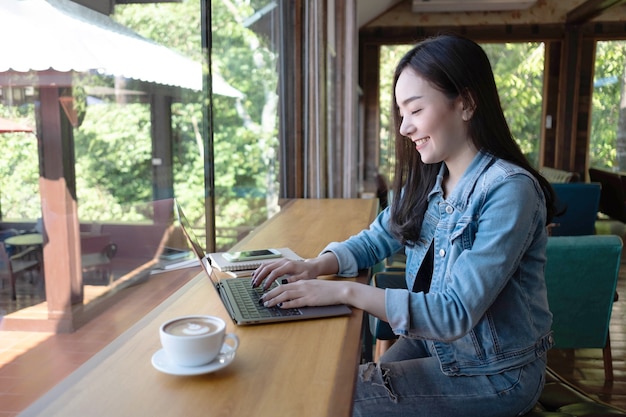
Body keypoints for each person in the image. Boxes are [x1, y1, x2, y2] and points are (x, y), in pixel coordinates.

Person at [252, 34, 556, 417]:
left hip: (496, 375)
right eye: (401, 114)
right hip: (436, 346)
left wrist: (345, 292)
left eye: (415, 110)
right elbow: (376, 238)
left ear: (466, 102)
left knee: (339, 399)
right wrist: (316, 265)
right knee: (335, 386)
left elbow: (454, 312)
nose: (404, 128)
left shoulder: (509, 191)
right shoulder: (430, 179)